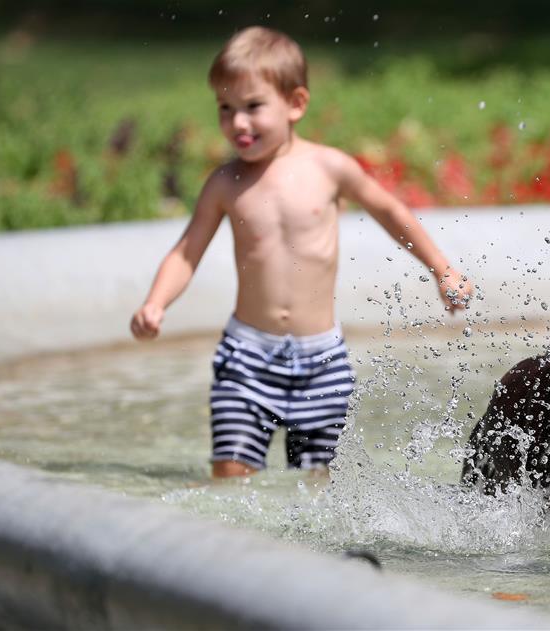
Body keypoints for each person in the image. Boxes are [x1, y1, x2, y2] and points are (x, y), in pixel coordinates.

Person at [130, 26, 473, 479]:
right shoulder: (225, 184)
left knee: (318, 488)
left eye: (253, 107)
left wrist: (441, 269)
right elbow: (185, 253)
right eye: (225, 109)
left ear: (295, 104)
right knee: (231, 475)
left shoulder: (328, 168)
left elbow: (390, 211)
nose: (238, 123)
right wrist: (156, 303)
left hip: (322, 360)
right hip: (247, 357)